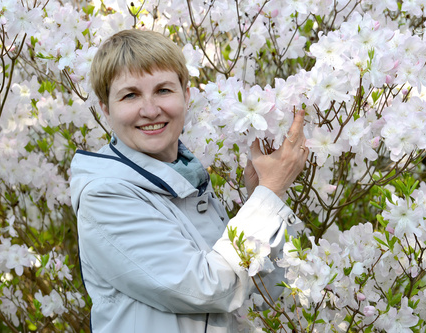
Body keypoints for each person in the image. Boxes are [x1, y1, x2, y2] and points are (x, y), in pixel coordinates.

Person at [70, 29, 309, 333]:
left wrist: (260, 199)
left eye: (163, 90)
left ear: (186, 95)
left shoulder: (188, 180)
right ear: (106, 108)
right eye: (130, 95)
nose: (150, 109)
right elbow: (210, 289)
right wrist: (269, 194)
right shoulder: (105, 196)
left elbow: (265, 297)